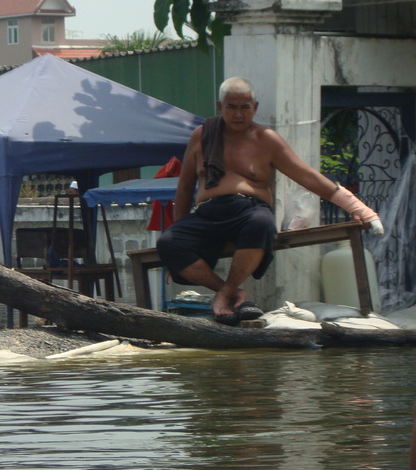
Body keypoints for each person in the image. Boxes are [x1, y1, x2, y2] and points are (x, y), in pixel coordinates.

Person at [157, 77, 383, 325]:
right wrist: (180, 228)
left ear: (255, 107)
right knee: (168, 242)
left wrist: (357, 207)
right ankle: (228, 291)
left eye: (245, 107)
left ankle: (225, 292)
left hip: (249, 210)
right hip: (208, 212)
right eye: (232, 107)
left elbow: (307, 176)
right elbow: (185, 186)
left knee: (262, 223)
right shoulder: (202, 135)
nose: (239, 114)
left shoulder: (267, 139)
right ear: (220, 107)